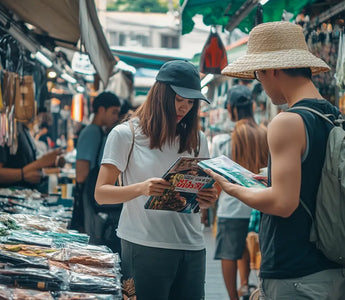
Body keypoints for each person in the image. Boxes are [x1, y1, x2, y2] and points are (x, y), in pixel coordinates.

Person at [206, 21, 345, 299]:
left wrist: (234, 189)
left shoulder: (287, 122)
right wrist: (270, 178)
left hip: (295, 273)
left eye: (259, 75)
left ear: (271, 70)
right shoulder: (334, 117)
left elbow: (283, 203)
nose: (262, 84)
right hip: (331, 271)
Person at [95, 60, 218, 299]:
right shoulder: (125, 134)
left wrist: (207, 198)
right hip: (145, 246)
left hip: (192, 246)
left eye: (190, 102)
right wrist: (141, 188)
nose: (184, 108)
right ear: (160, 95)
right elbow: (101, 193)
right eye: (179, 99)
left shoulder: (198, 138)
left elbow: (198, 199)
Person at [212, 85, 268, 300]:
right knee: (256, 250)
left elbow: (217, 177)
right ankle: (249, 287)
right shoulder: (265, 134)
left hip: (231, 207)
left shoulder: (224, 140)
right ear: (252, 107)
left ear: (230, 108)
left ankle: (234, 297)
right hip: (261, 206)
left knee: (229, 253)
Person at [73, 91, 121, 248]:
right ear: (101, 110)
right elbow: (81, 174)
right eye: (113, 112)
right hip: (89, 195)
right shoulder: (92, 132)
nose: (116, 117)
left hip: (93, 196)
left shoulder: (100, 132)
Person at [0, 121, 63, 192]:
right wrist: (22, 174)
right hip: (9, 196)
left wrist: (47, 162)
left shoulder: (22, 128)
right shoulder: (4, 126)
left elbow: (27, 165)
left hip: (27, 196)